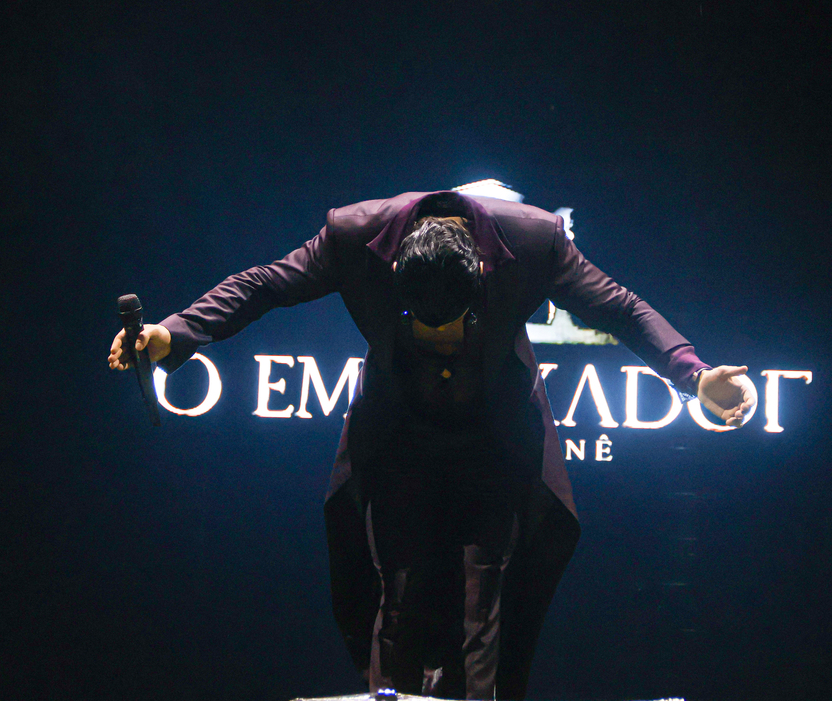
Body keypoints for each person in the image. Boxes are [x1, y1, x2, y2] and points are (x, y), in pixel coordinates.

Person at [107, 190, 755, 700]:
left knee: (483, 604)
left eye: (457, 325)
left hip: (494, 440)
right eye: (423, 325)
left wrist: (694, 376)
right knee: (396, 599)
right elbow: (263, 284)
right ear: (396, 279)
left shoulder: (534, 240)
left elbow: (619, 307)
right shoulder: (353, 235)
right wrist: (174, 332)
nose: (442, 341)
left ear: (481, 277)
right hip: (400, 436)